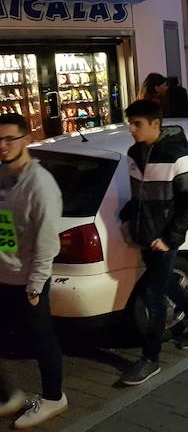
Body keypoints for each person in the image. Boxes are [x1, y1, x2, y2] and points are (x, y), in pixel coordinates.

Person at [118, 100, 188, 386]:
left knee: (154, 297)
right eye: (130, 123)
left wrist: (169, 238)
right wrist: (127, 217)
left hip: (164, 240)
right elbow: (139, 196)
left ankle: (150, 358)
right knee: (166, 284)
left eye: (138, 124)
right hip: (144, 235)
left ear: (156, 124)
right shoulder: (135, 153)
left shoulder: (178, 156)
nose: (132, 130)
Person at [0, 114, 67, 428]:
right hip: (2, 274)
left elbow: (46, 241)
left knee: (43, 340)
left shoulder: (40, 184)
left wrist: (35, 286)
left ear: (27, 139)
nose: (3, 146)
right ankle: (8, 395)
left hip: (28, 280)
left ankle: (54, 397)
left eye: (10, 139)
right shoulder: (2, 176)